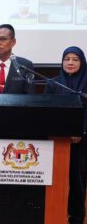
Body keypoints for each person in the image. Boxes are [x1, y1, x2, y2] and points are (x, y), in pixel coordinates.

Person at [45, 46, 87, 224]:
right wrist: (62, 133)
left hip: (82, 140)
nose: (70, 63)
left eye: (75, 59)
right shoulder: (53, 83)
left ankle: (76, 217)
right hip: (59, 141)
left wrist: (80, 132)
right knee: (56, 179)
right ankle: (54, 214)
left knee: (78, 181)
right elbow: (47, 111)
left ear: (82, 63)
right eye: (66, 59)